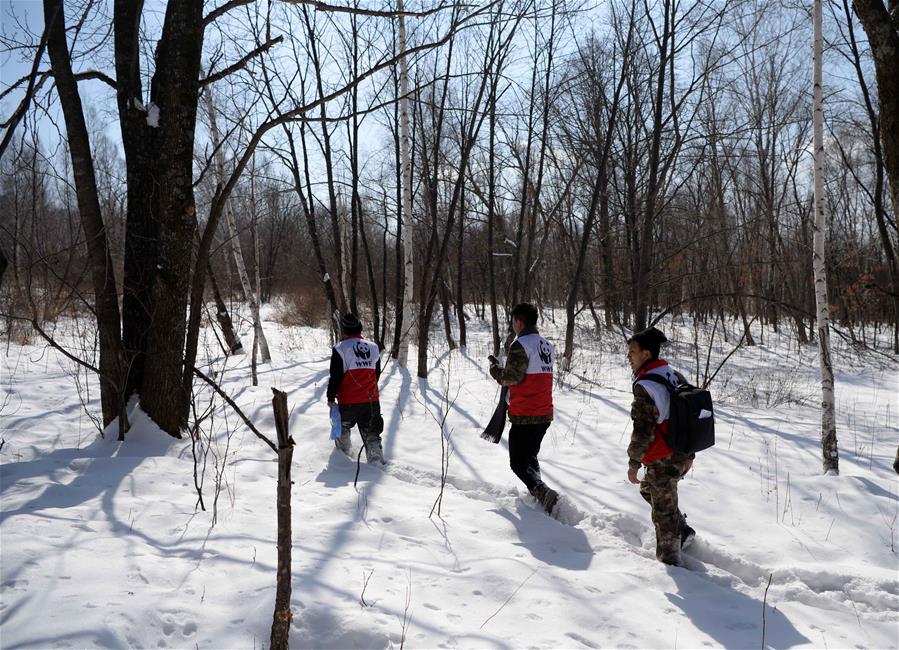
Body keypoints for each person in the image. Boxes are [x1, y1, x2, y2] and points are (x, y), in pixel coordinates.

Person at [626, 326, 696, 566]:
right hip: (684, 452)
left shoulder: (646, 385)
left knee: (663, 514)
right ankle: (683, 531)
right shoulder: (672, 373)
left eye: (632, 352)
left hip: (664, 458)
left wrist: (634, 462)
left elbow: (642, 430)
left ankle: (670, 563)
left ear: (646, 354)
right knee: (649, 491)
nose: (629, 357)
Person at [488, 303, 558, 513]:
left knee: (517, 462)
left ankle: (542, 491)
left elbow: (511, 378)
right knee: (530, 456)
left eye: (513, 322)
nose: (513, 326)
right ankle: (538, 494)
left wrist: (494, 370)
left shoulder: (521, 344)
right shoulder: (546, 345)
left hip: (526, 412)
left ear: (519, 321)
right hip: (544, 412)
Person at [327, 313, 385, 464]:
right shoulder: (373, 348)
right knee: (372, 434)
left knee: (342, 431)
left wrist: (330, 397)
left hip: (348, 402)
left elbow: (335, 377)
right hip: (371, 401)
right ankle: (377, 463)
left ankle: (343, 462)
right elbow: (376, 375)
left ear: (344, 330)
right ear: (360, 328)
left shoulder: (340, 349)